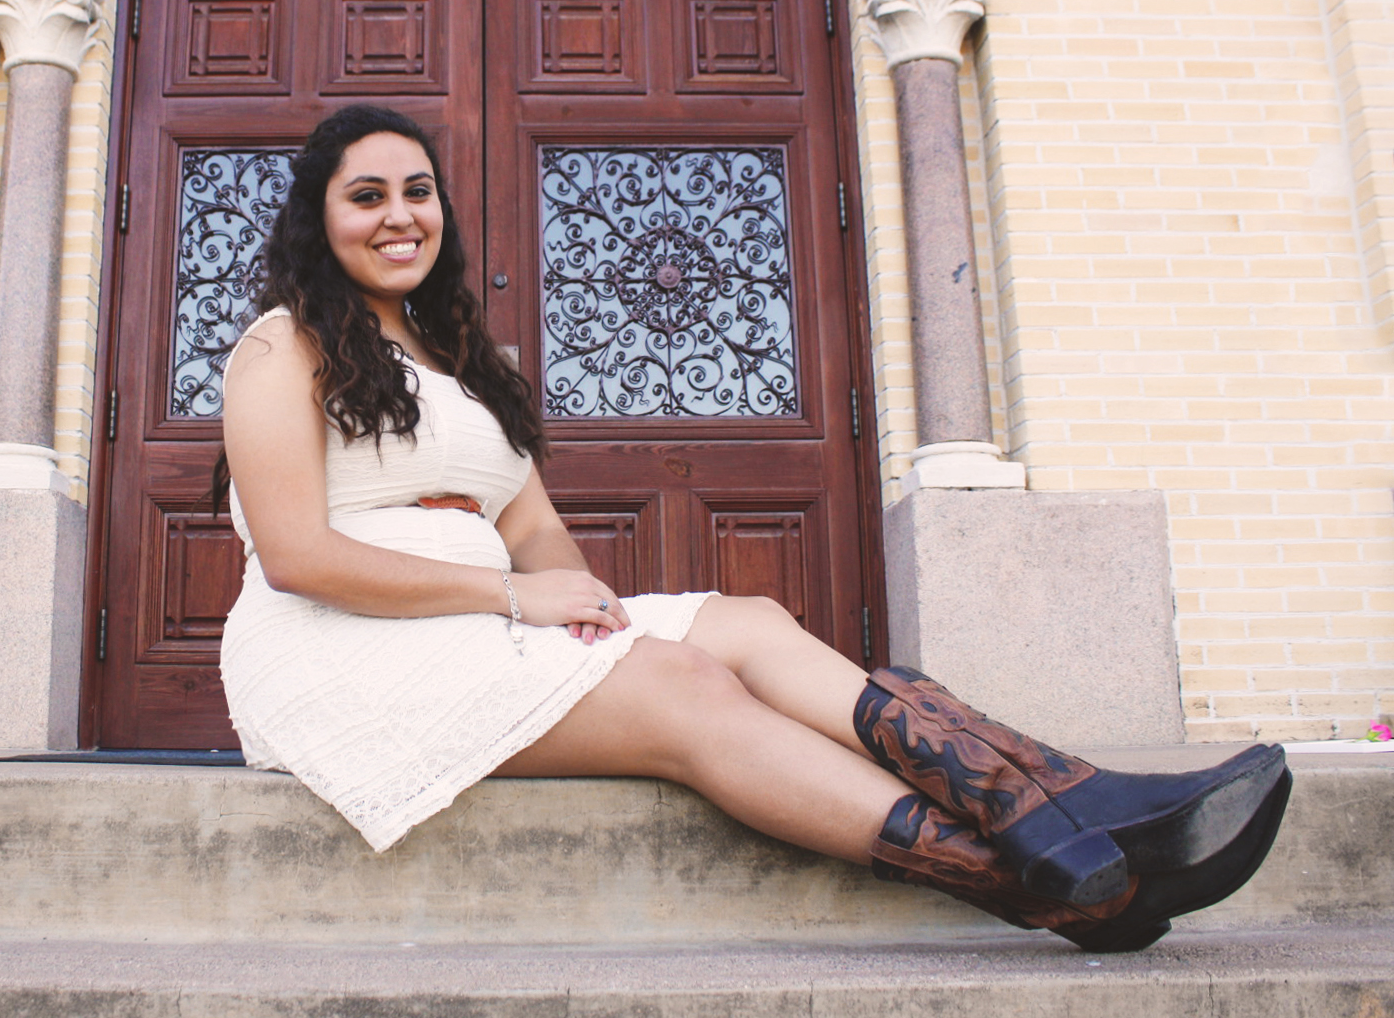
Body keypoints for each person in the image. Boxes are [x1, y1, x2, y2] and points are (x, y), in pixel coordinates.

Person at [215, 104, 1290, 952]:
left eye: (417, 191)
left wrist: (580, 616)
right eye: (366, 196)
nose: (400, 215)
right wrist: (512, 598)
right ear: (319, 218)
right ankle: (1040, 880)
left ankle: (1061, 803)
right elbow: (298, 556)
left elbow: (534, 532)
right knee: (684, 684)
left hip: (483, 622)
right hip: (342, 650)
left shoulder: (459, 363)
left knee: (749, 621)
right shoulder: (281, 348)